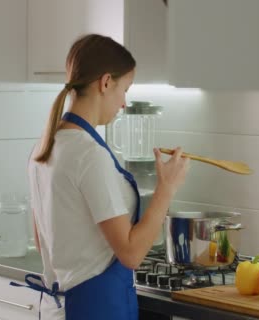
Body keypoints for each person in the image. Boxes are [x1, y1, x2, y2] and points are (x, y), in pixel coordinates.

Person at [11, 34, 189, 320]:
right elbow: (130, 254)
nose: (123, 103)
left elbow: (42, 236)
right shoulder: (88, 155)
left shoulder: (45, 146)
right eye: (125, 89)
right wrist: (166, 189)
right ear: (106, 82)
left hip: (59, 307)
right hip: (95, 310)